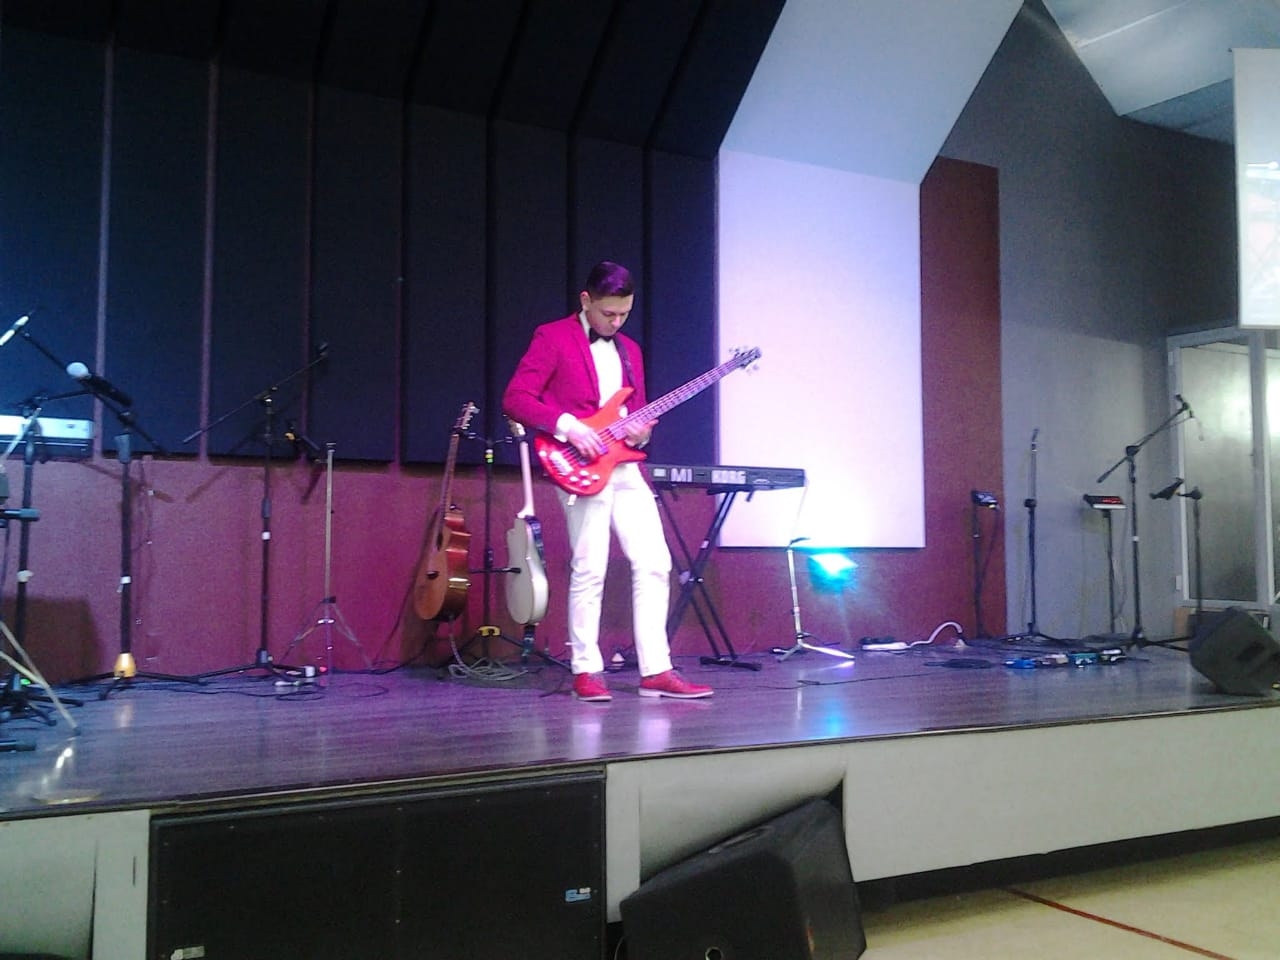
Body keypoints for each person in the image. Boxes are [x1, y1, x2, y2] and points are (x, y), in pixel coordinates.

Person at [503, 261, 713, 702]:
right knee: (590, 566)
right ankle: (586, 669)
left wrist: (641, 432)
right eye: (608, 314)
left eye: (624, 314)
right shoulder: (553, 337)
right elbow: (516, 398)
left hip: (624, 464)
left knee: (655, 561)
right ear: (586, 300)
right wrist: (569, 426)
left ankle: (656, 669)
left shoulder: (630, 350)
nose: (616, 322)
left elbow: (635, 413)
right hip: (577, 463)